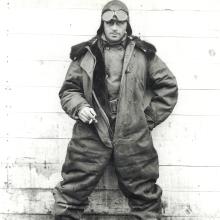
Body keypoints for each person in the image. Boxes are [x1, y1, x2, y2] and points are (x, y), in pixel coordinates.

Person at [53, 0, 178, 219]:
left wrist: (146, 119)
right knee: (71, 193)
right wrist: (80, 107)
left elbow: (168, 87)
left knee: (145, 197)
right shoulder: (86, 53)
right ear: (102, 24)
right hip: (91, 131)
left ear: (127, 25)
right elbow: (68, 91)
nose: (114, 28)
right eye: (109, 23)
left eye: (119, 23)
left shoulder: (143, 54)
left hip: (132, 135)